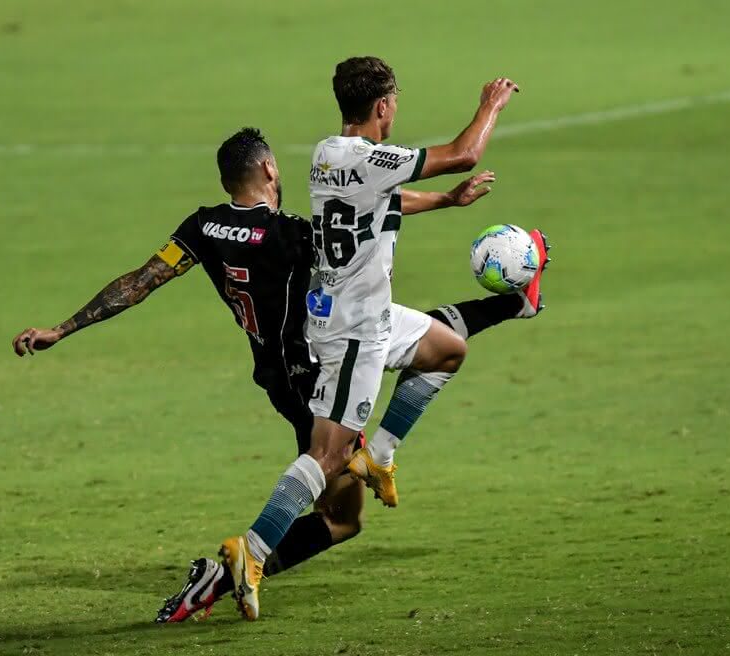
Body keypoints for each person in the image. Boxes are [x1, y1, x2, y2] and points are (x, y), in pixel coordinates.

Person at [10, 127, 548, 622]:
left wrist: (66, 327)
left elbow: (141, 281)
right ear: (268, 169)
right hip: (317, 368)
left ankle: (507, 314)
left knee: (424, 348)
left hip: (277, 372)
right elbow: (363, 213)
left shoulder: (202, 227)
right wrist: (447, 200)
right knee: (342, 516)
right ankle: (229, 572)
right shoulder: (285, 235)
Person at [219, 57, 549, 621]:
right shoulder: (372, 159)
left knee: (448, 349)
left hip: (366, 313)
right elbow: (463, 153)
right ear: (383, 107)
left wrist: (448, 201)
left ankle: (381, 456)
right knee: (326, 455)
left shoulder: (327, 155)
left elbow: (383, 204)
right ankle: (250, 549)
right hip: (352, 334)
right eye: (394, 102)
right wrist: (491, 104)